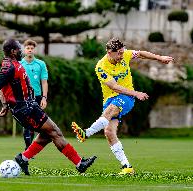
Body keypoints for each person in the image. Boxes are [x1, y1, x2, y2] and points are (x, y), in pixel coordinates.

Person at [0, 38, 97, 176]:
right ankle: (79, 164)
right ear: (13, 51)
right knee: (55, 132)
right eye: (19, 48)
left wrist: (5, 104)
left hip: (30, 106)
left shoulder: (13, 64)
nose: (21, 51)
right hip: (25, 110)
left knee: (48, 135)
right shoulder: (9, 67)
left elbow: (3, 87)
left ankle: (23, 158)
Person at [72, 37, 174, 175]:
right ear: (109, 52)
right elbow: (114, 87)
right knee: (109, 132)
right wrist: (137, 92)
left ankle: (86, 133)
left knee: (110, 111)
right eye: (118, 53)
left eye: (122, 52)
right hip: (111, 98)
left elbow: (141, 54)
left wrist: (159, 58)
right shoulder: (101, 67)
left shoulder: (124, 54)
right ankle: (127, 167)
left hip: (127, 97)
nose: (121, 55)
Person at [20, 39, 48, 150]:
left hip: (37, 97)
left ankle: (34, 148)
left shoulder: (41, 64)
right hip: (23, 98)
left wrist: (44, 98)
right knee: (27, 125)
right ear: (24, 49)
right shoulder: (20, 64)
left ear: (34, 50)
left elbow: (44, 82)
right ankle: (28, 149)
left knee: (40, 124)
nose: (30, 50)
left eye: (32, 48)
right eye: (28, 48)